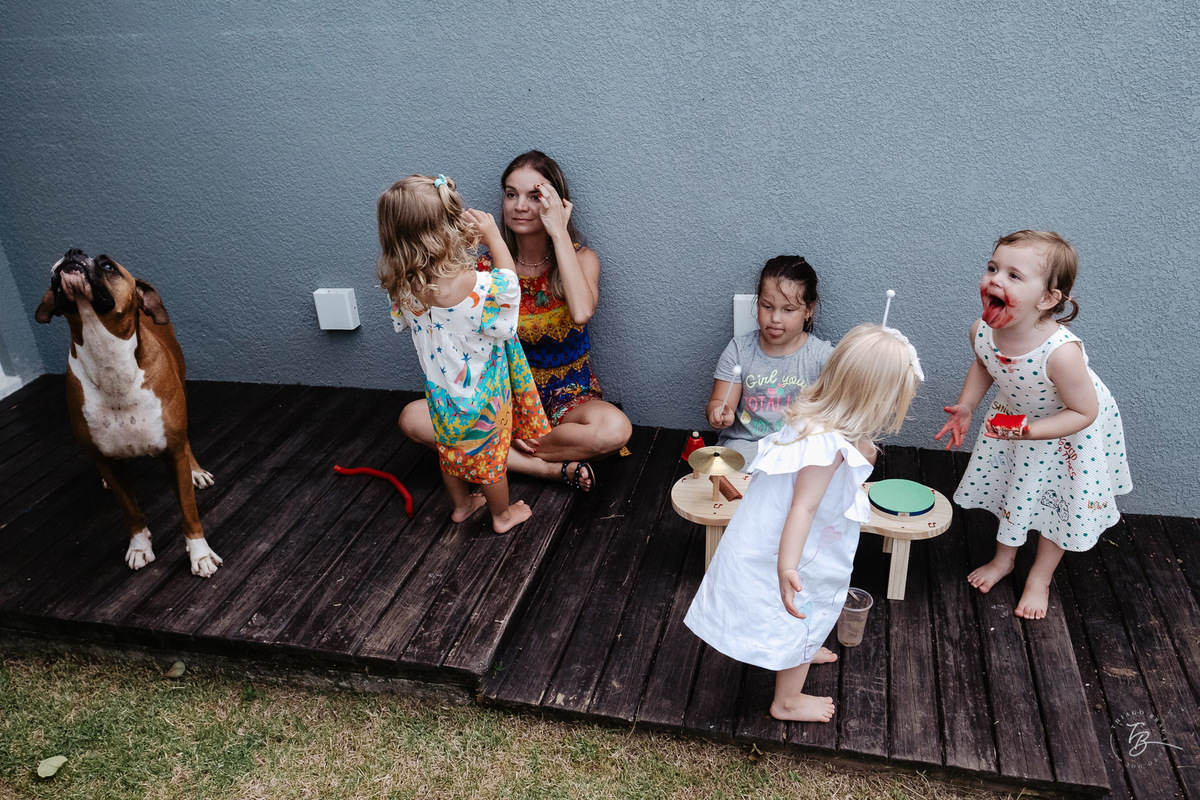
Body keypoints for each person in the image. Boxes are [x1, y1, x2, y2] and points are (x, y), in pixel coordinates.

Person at [685, 324, 923, 722]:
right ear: (876, 401)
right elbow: (804, 508)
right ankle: (788, 700)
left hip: (795, 536)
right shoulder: (825, 446)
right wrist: (789, 565)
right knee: (803, 607)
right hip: (801, 545)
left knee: (807, 612)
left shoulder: (818, 422)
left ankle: (804, 649)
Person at [399, 151, 631, 491]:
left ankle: (498, 455)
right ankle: (544, 469)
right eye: (511, 194)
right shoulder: (483, 268)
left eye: (534, 196)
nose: (519, 205)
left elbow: (581, 312)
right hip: (498, 397)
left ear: (554, 203)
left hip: (568, 398)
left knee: (615, 429)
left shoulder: (582, 257)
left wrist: (559, 232)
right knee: (413, 418)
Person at [935, 230, 1131, 619]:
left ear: (1047, 299)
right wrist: (967, 405)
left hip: (1068, 432)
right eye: (993, 268)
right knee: (1016, 489)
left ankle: (1039, 577)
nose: (995, 279)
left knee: (1058, 504)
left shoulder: (1061, 355)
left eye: (1013, 275)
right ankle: (1004, 560)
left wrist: (1031, 433)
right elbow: (984, 362)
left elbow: (1083, 412)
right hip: (1018, 419)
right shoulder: (983, 330)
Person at [378, 174, 551, 533]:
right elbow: (509, 289)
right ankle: (502, 515)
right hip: (483, 394)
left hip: (441, 393)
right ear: (448, 228)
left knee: (450, 449)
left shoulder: (401, 284)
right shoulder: (472, 285)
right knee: (491, 460)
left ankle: (461, 505)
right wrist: (493, 237)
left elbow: (403, 323)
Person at [706, 256, 833, 465]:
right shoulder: (739, 350)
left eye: (788, 310)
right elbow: (719, 401)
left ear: (809, 310)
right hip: (746, 444)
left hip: (799, 447)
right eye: (767, 306)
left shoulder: (822, 356)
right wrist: (719, 412)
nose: (775, 318)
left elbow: (843, 404)